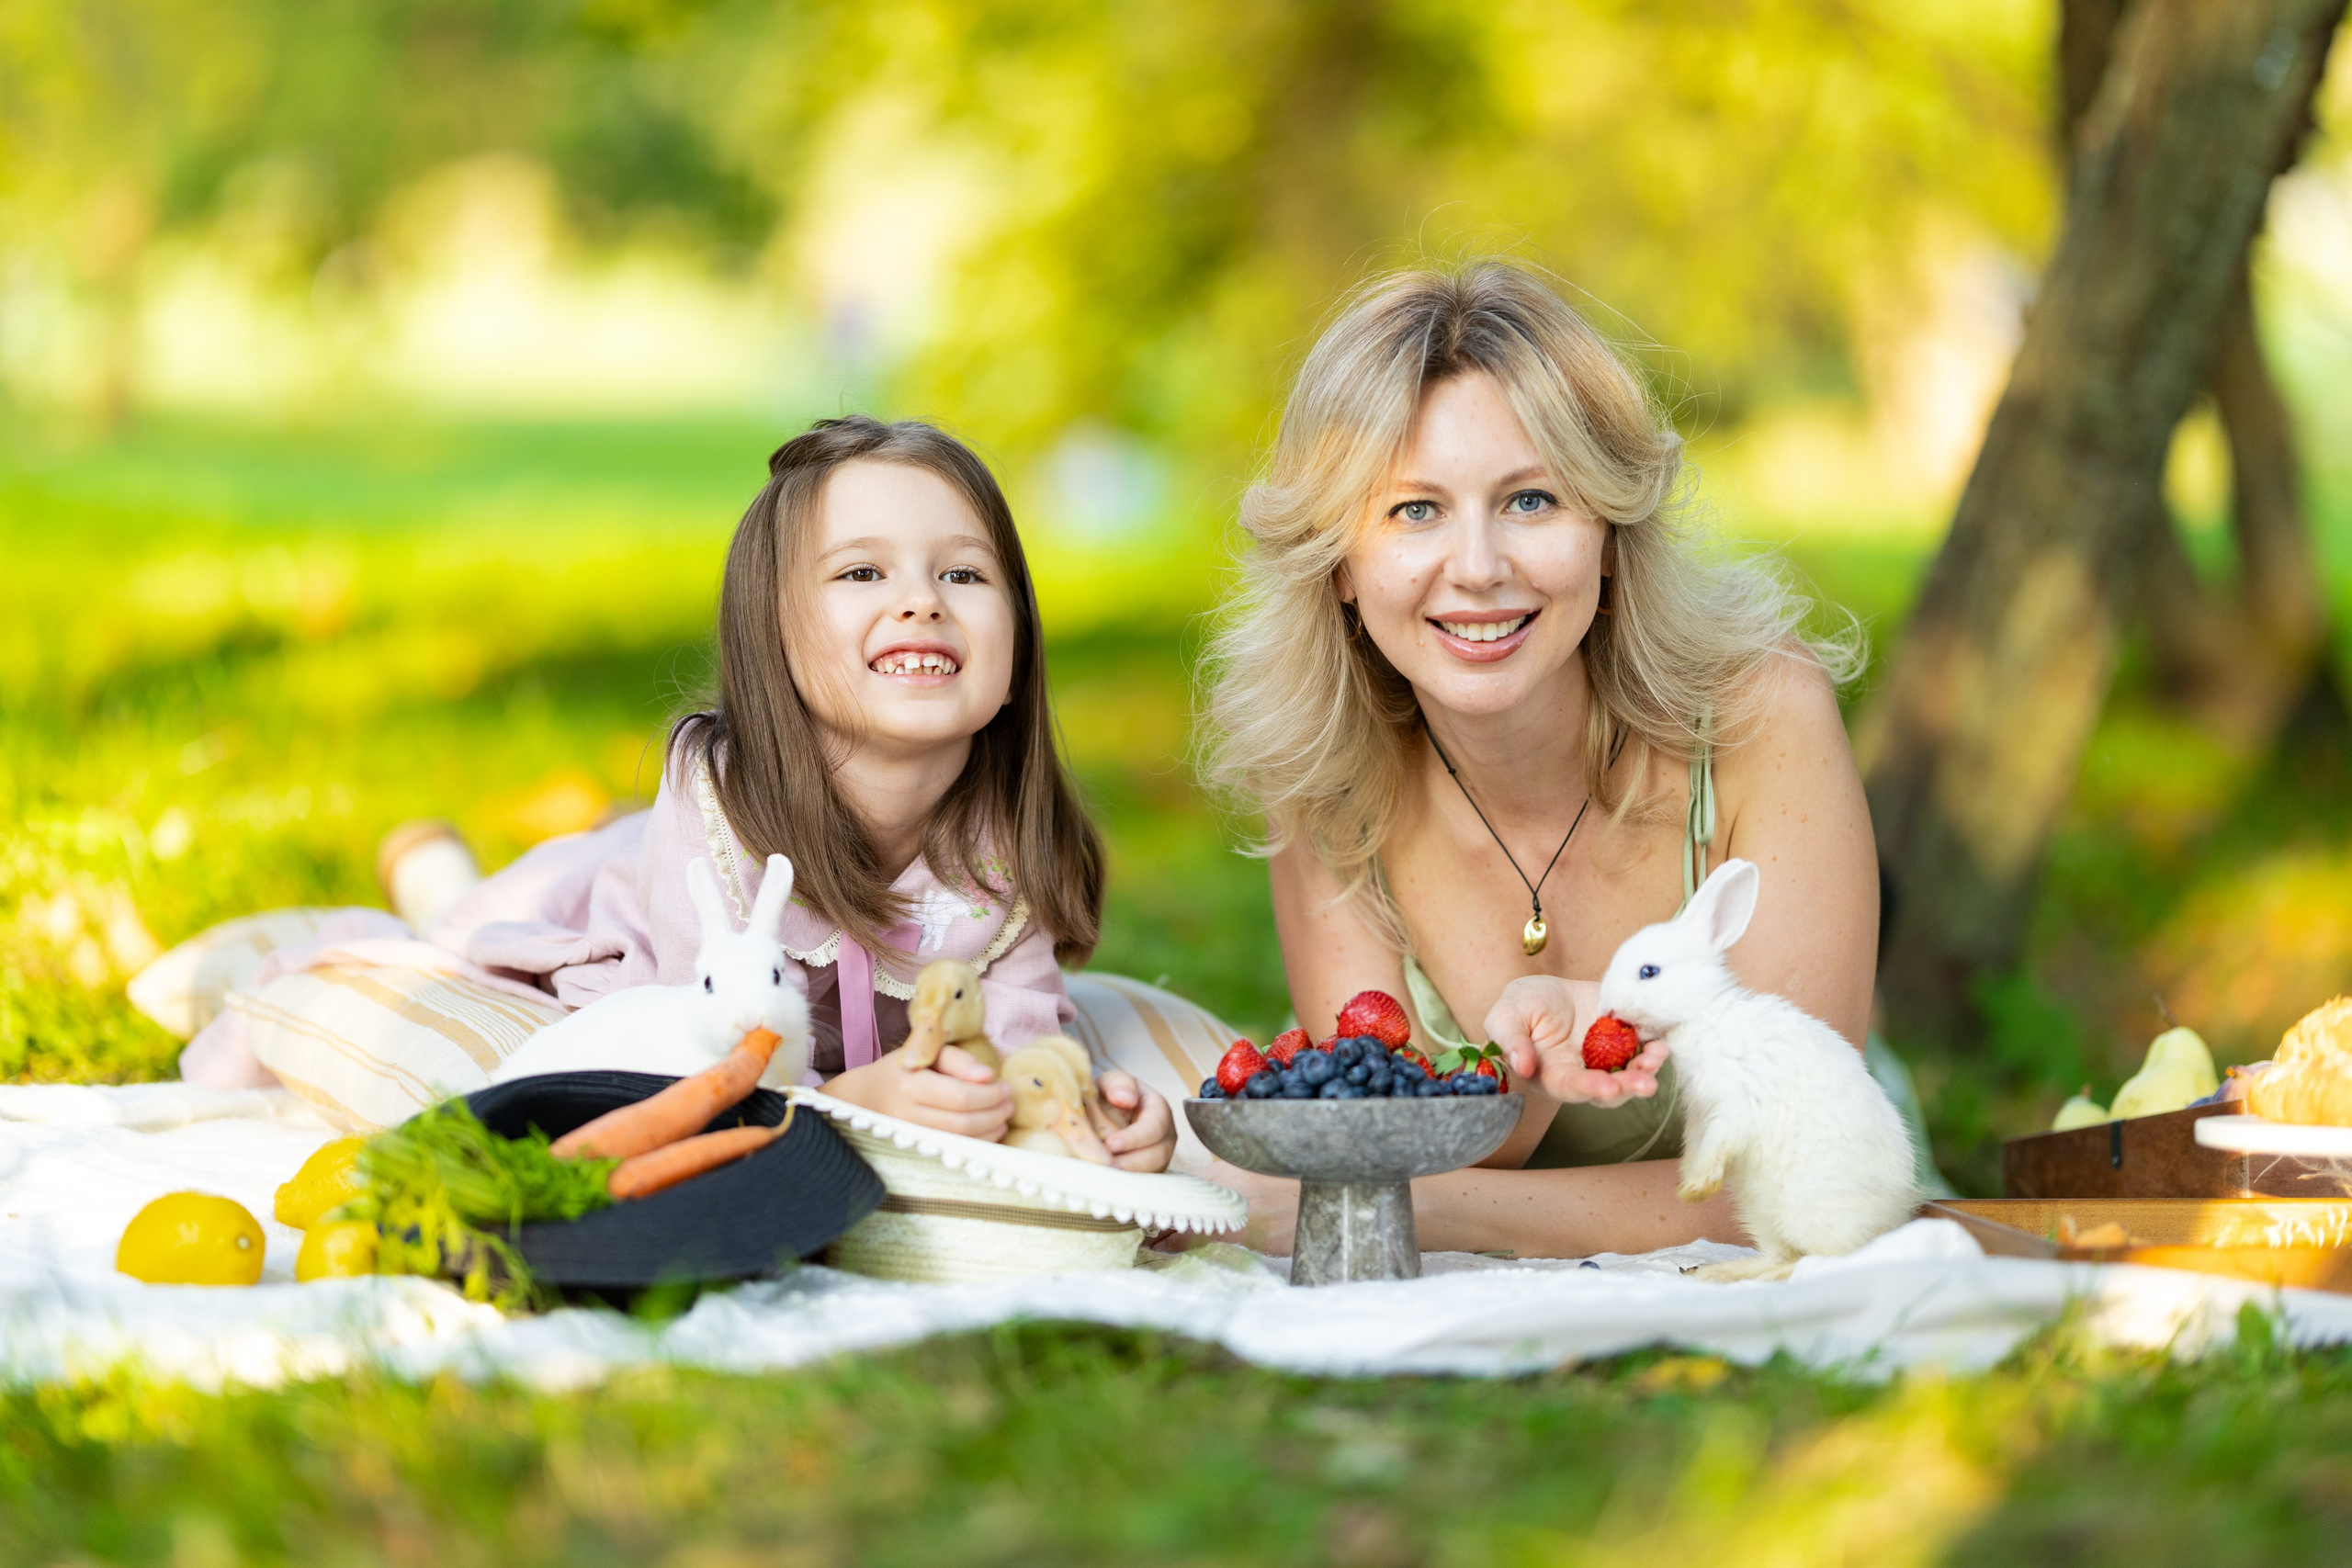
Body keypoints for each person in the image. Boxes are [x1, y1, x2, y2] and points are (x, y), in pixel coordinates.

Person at [191, 416, 1180, 1171]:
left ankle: (441, 857)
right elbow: (690, 1045)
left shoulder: (1001, 848)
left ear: (1018, 646)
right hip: (611, 917)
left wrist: (1072, 1113)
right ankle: (385, 897)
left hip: (636, 861)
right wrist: (855, 1098)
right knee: (460, 928)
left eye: (963, 573)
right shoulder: (718, 812)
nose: (919, 598)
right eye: (862, 571)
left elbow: (1014, 1031)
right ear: (774, 638)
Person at [1199, 261, 1878, 1253]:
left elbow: (1799, 1181)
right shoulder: (1321, 774)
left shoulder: (1759, 716)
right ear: (1337, 564)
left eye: (1530, 501)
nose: (1477, 569)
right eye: (1412, 510)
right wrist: (1519, 1069)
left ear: (1608, 532)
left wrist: (1434, 1209)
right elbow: (1373, 1125)